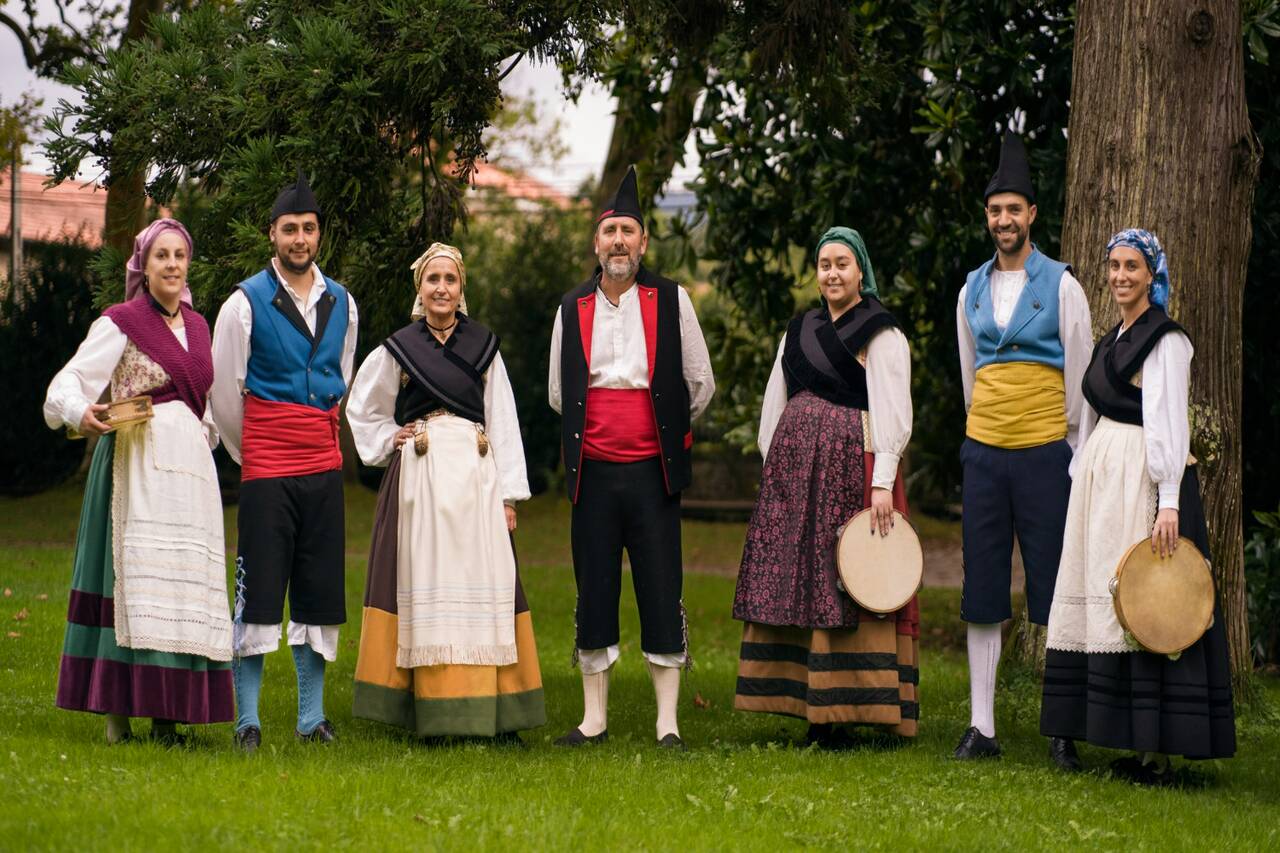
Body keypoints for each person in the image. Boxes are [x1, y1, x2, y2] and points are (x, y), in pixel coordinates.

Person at [1040, 229, 1235, 783]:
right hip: (1102, 485)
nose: (1121, 276)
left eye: (1132, 267)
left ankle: (1156, 748)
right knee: (1107, 598)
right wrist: (1082, 475)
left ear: (1153, 275)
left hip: (1145, 483)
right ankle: (1123, 737)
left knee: (1147, 603)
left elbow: (1169, 421)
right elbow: (1090, 419)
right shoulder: (1109, 342)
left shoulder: (1166, 340)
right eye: (1114, 266)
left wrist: (1168, 500)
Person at [44, 218, 233, 744]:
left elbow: (207, 402)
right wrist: (81, 412)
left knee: (176, 582)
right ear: (143, 267)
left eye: (179, 255)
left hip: (188, 472)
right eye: (161, 257)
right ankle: (117, 714)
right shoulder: (121, 323)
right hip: (134, 460)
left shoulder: (199, 328)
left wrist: (205, 436)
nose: (172, 265)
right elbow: (65, 383)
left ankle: (168, 716)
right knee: (129, 581)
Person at [346, 242, 545, 740]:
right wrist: (388, 437)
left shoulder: (484, 348)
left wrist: (508, 497)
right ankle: (429, 712)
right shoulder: (400, 348)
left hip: (477, 478)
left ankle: (496, 713)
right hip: (422, 477)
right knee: (426, 586)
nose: (441, 288)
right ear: (421, 289)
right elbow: (363, 407)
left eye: (450, 280)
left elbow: (502, 421)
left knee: (487, 586)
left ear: (461, 289)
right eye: (432, 279)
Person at [547, 166, 715, 749]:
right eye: (610, 231)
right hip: (591, 473)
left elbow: (700, 382)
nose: (619, 241)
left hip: (654, 473)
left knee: (661, 584)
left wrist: (661, 430)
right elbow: (556, 391)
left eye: (629, 231)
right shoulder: (571, 308)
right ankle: (594, 720)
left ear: (644, 242)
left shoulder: (673, 300)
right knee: (594, 587)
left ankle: (667, 722)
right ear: (596, 242)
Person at [732, 227, 918, 746]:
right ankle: (807, 704)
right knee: (803, 579)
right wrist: (774, 467)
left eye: (842, 264)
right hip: (796, 476)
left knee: (847, 579)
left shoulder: (881, 332)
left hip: (853, 473)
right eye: (824, 265)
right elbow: (777, 397)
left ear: (861, 271)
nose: (832, 273)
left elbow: (894, 411)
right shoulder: (800, 327)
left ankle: (852, 704)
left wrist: (882, 482)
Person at [954, 132, 1093, 767]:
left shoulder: (1063, 285)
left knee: (1053, 588)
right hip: (984, 453)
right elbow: (969, 374)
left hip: (1045, 453)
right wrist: (980, 433)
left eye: (1014, 209)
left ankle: (1060, 727)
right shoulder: (970, 289)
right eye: (994, 210)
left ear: (1032, 214)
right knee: (982, 587)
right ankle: (982, 726)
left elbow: (1083, 381)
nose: (1003, 220)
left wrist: (1074, 452)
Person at [210, 170, 358, 752]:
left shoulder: (343, 300)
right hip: (267, 466)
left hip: (323, 465)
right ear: (271, 233)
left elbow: (337, 379)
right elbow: (225, 394)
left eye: (309, 228)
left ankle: (311, 718)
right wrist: (256, 453)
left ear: (319, 234)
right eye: (290, 229)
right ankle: (247, 720)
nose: (300, 238)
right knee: (261, 593)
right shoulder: (243, 304)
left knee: (320, 592)